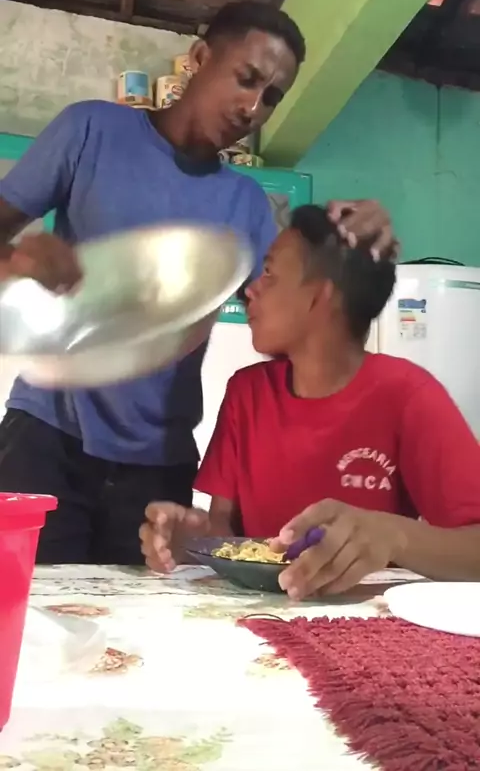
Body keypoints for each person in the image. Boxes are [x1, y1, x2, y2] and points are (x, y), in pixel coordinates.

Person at [0, 0, 394, 565]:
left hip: (158, 468)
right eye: (247, 78)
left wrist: (358, 242)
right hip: (46, 437)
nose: (253, 107)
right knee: (26, 609)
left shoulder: (247, 205)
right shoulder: (90, 130)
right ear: (200, 57)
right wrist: (16, 261)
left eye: (271, 97)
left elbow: (293, 322)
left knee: (139, 619)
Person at [140, 205, 480, 598]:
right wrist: (190, 541)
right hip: (253, 615)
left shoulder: (408, 394)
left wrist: (395, 536)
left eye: (269, 273)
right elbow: (224, 528)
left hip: (362, 621)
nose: (250, 289)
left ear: (319, 297)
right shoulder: (248, 392)